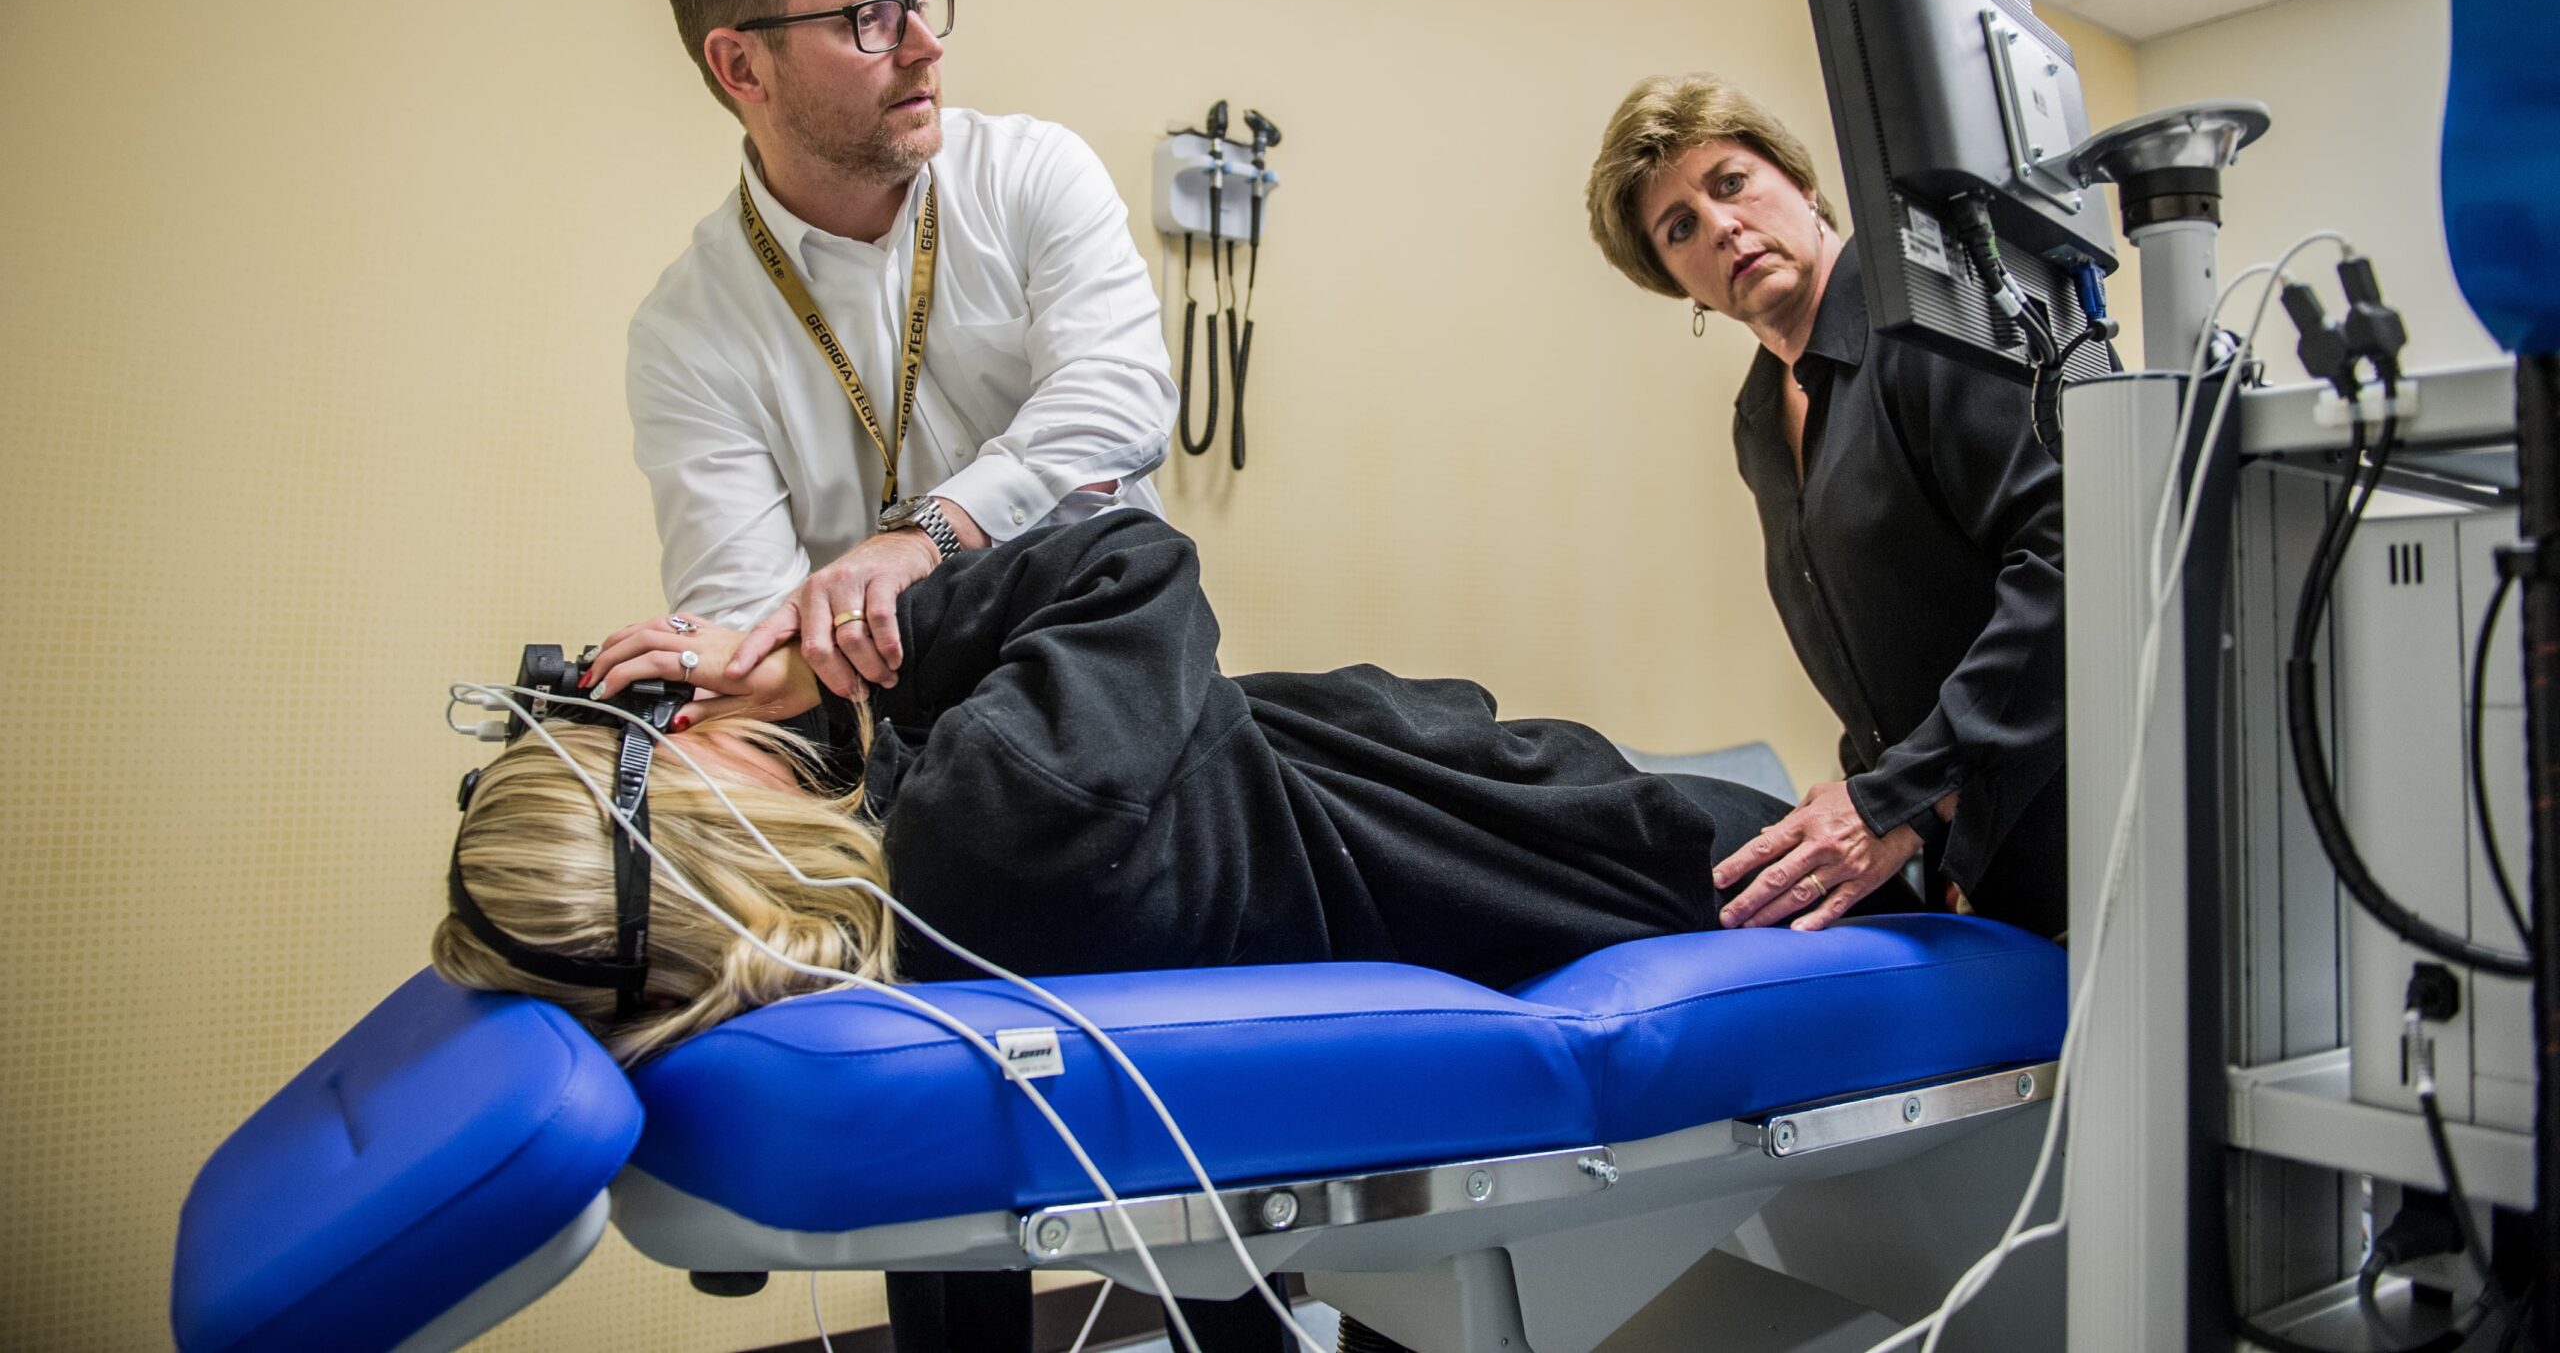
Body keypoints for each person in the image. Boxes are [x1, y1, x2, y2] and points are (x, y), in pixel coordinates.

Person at [435, 512, 1842, 1353]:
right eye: (660, 739)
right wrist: (827, 644)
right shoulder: (993, 819)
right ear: (714, 842)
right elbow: (1134, 561)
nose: (683, 704)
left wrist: (802, 710)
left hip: (1451, 828)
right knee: (1863, 858)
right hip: (1544, 841)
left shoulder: (887, 939)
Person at [633, 0, 1176, 707]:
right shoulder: (686, 332)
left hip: (1123, 691)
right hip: (891, 746)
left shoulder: (1032, 171)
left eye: (920, 4)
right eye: (871, 20)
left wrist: (925, 538)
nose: (927, 45)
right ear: (742, 65)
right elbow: (750, 632)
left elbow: (1118, 403)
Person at [1583, 75, 2068, 940]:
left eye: (1729, 182)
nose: (1721, 225)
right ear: (1678, 283)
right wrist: (1874, 801)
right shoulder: (1760, 420)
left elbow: (2068, 570)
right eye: (1680, 227)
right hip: (1951, 858)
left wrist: (1897, 801)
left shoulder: (1932, 321)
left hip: (2071, 816)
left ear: (1801, 182)